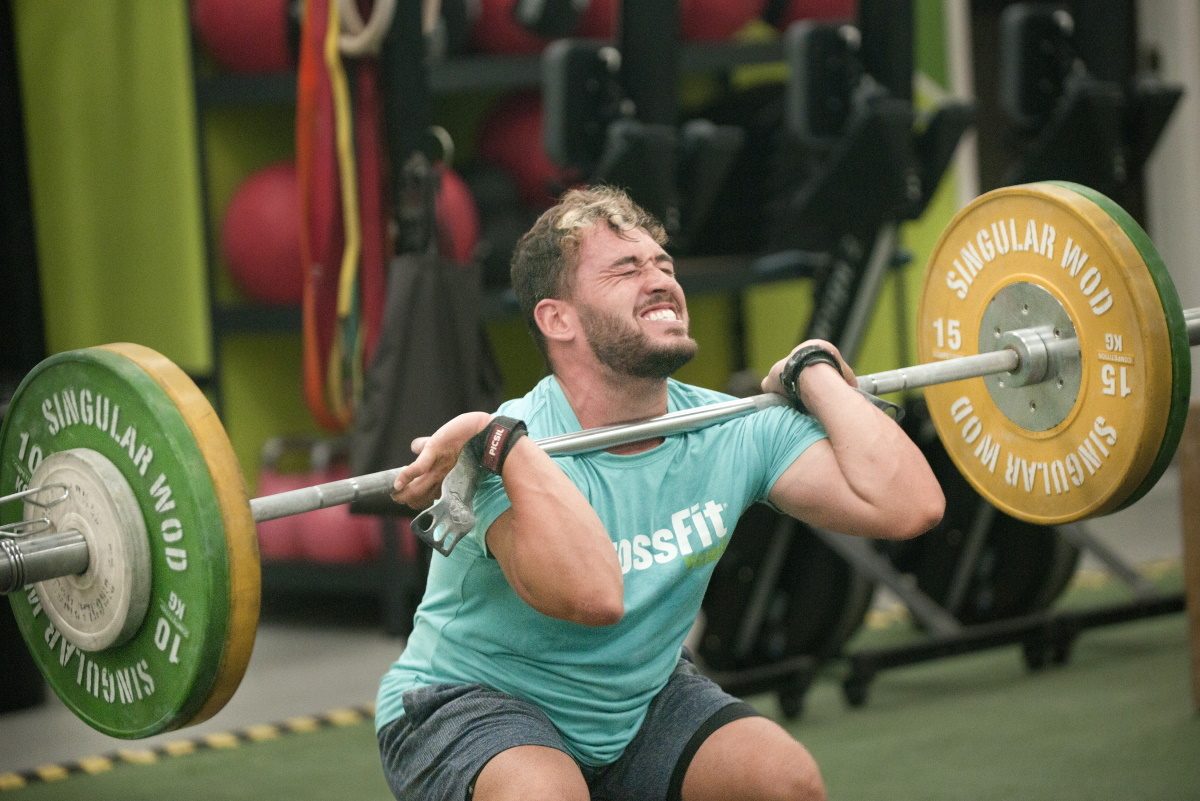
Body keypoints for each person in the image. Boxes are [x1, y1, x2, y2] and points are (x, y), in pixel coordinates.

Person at [377, 185, 944, 801]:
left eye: (663, 265)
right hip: (472, 701)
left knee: (785, 783)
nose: (660, 281)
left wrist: (814, 370)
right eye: (626, 269)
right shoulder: (502, 455)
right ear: (557, 317)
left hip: (637, 697)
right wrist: (504, 446)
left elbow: (910, 505)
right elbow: (593, 597)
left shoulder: (729, 428)